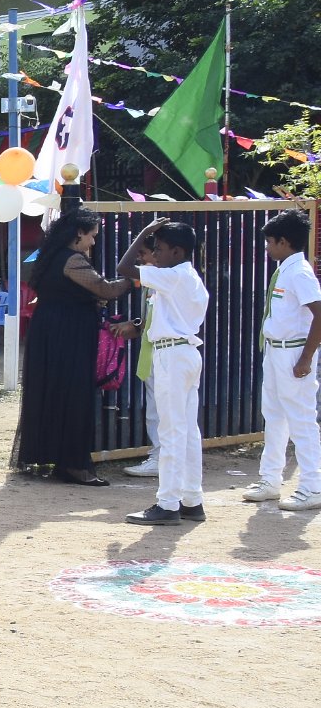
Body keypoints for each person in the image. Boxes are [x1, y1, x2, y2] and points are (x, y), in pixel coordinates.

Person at [11, 207, 157, 484]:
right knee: (74, 396)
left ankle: (61, 460)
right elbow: (105, 289)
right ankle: (75, 464)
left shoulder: (52, 257)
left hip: (52, 332)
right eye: (91, 236)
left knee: (54, 394)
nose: (92, 242)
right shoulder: (72, 260)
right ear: (79, 233)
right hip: (68, 334)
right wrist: (136, 279)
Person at [111, 220, 208, 524]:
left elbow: (123, 267)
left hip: (172, 356)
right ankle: (192, 500)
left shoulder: (175, 275)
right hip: (184, 353)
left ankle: (168, 503)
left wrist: (144, 232)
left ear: (177, 251)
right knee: (187, 431)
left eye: (160, 249)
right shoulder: (186, 276)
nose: (155, 254)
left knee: (171, 431)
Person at [246, 209, 321, 512]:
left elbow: (320, 313)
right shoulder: (287, 269)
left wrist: (305, 358)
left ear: (285, 241)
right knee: (275, 415)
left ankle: (313, 486)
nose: (267, 247)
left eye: (270, 242)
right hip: (276, 350)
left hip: (293, 352)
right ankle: (270, 480)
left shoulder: (299, 272)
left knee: (301, 420)